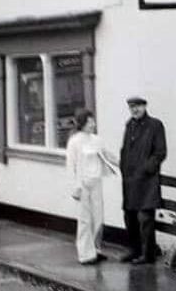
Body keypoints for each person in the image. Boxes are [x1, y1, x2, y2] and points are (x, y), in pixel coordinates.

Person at [66, 108, 119, 265]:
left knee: (98, 217)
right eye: (90, 122)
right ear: (82, 123)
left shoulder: (96, 140)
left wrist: (125, 164)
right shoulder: (74, 142)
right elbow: (71, 166)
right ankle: (85, 254)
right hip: (82, 184)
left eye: (93, 121)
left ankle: (96, 250)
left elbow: (108, 155)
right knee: (84, 220)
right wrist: (75, 187)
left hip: (96, 182)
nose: (93, 124)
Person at [119, 96, 167, 265]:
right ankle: (135, 250)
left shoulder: (155, 125)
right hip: (130, 181)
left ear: (145, 106)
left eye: (138, 106)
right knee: (129, 216)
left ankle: (148, 254)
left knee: (145, 218)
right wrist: (124, 169)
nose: (135, 110)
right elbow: (125, 150)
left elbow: (160, 152)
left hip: (147, 182)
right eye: (131, 107)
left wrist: (147, 168)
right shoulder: (129, 125)